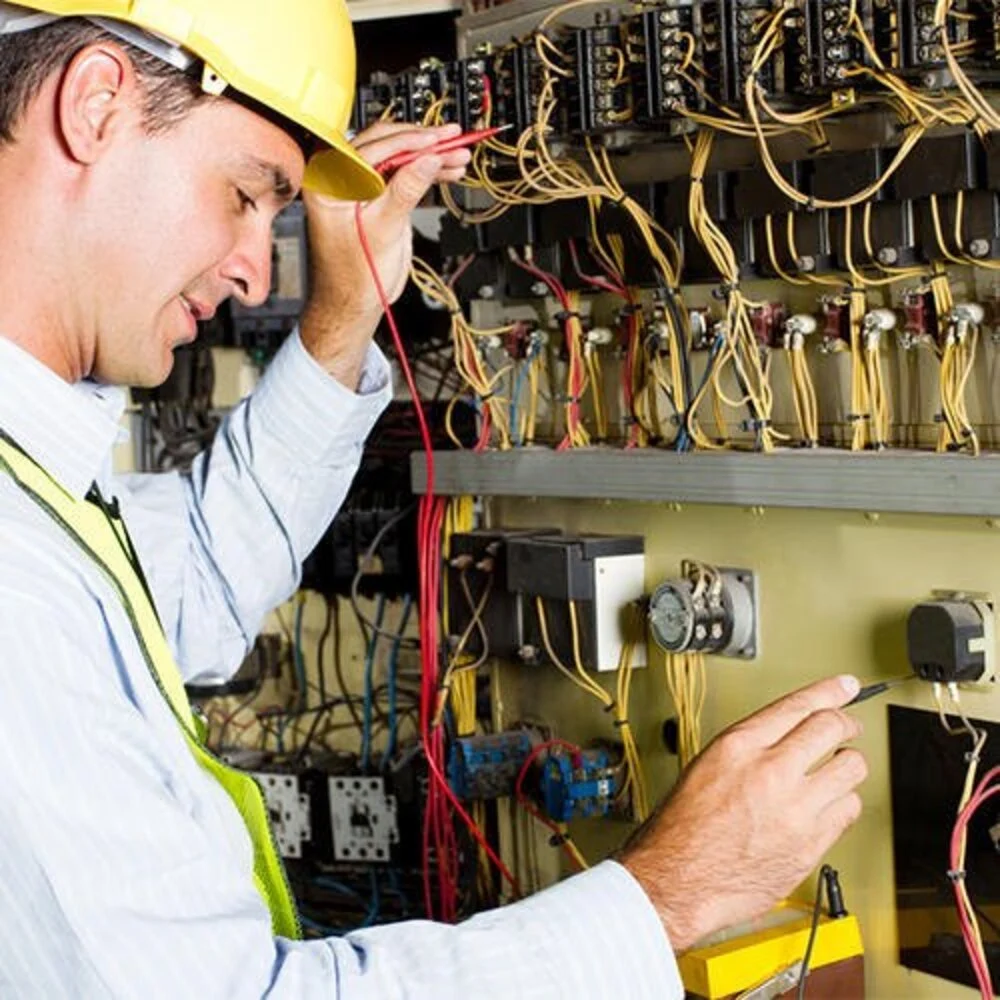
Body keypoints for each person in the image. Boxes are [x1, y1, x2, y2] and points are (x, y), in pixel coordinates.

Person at [0, 2, 868, 997]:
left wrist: (340, 317)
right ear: (98, 104)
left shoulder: (32, 489)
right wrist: (665, 895)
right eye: (245, 193)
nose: (251, 269)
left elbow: (177, 588)